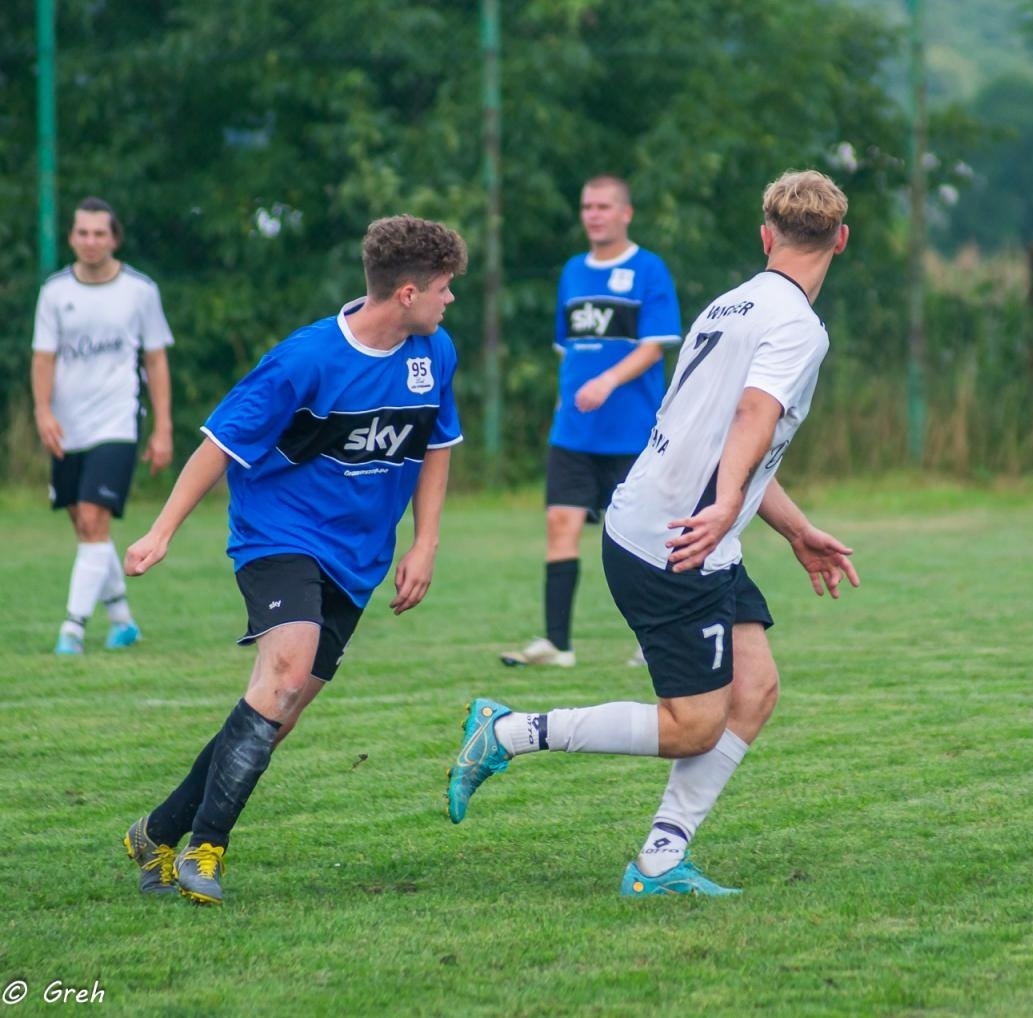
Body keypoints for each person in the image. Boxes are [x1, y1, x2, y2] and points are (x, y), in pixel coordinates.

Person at [451, 170, 860, 896]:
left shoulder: (729, 304)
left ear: (765, 237)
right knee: (693, 725)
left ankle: (660, 861)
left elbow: (720, 437)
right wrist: (726, 502)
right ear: (841, 240)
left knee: (755, 690)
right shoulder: (798, 324)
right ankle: (509, 732)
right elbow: (753, 417)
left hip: (684, 528)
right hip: (676, 541)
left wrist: (793, 529)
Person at [118, 215, 467, 904]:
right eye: (444, 287)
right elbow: (219, 444)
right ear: (407, 293)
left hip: (358, 557)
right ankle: (205, 851)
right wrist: (161, 532)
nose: (450, 299)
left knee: (277, 714)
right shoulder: (304, 360)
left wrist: (425, 542)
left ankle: (154, 833)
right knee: (281, 679)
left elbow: (436, 445)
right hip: (279, 535)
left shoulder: (435, 352)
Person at [500, 175, 682, 670]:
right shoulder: (573, 272)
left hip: (632, 432)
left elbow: (654, 347)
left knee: (644, 535)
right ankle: (557, 645)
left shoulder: (648, 269)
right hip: (574, 433)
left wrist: (607, 381)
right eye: (587, 207)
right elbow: (568, 352)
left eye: (603, 206)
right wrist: (564, 405)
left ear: (626, 213)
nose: (593, 215)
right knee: (560, 524)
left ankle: (656, 639)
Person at [31, 197, 174, 654]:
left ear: (114, 238)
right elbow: (43, 357)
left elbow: (155, 359)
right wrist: (42, 411)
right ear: (71, 237)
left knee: (94, 518)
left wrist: (163, 428)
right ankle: (122, 620)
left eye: (99, 233)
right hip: (67, 426)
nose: (90, 241)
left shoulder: (140, 291)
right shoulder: (55, 292)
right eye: (82, 232)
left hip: (117, 421)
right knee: (85, 526)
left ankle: (72, 628)